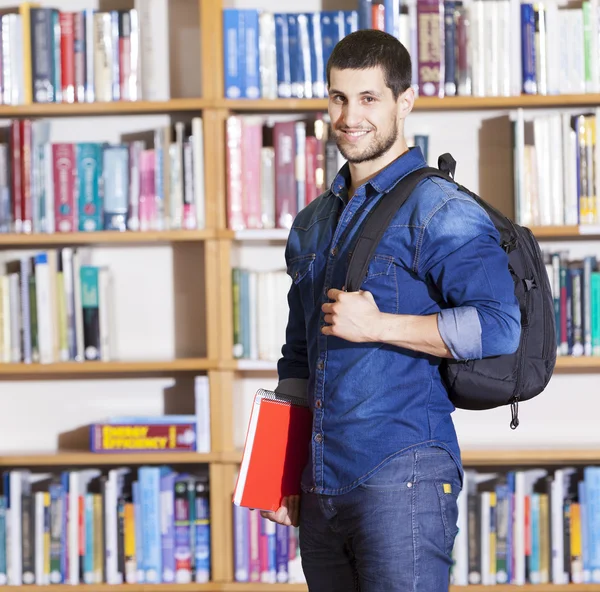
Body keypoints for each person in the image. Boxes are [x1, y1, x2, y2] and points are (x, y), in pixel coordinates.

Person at [261, 29, 521, 591]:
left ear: (404, 102)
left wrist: (378, 326)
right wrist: (282, 471)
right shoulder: (310, 223)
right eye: (338, 98)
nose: (350, 116)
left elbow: (500, 326)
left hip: (403, 478)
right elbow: (299, 359)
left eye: (368, 98)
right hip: (319, 483)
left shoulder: (440, 208)